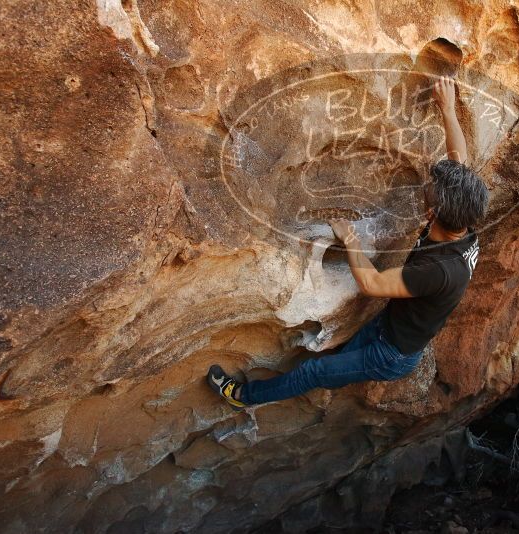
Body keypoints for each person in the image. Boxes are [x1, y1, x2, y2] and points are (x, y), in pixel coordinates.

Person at [207, 76, 489, 408]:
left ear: (432, 213)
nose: (426, 185)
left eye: (429, 190)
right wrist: (447, 108)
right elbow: (461, 161)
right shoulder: (463, 217)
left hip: (391, 354)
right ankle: (337, 372)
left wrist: (351, 239)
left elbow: (373, 282)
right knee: (342, 359)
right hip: (394, 328)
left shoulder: (439, 270)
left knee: (314, 371)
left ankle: (242, 396)